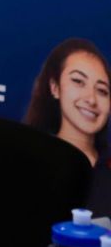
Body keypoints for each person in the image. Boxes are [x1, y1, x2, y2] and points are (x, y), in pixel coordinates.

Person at [24, 38, 109, 167]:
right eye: (78, 81)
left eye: (102, 91)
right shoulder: (29, 158)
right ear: (55, 88)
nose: (91, 100)